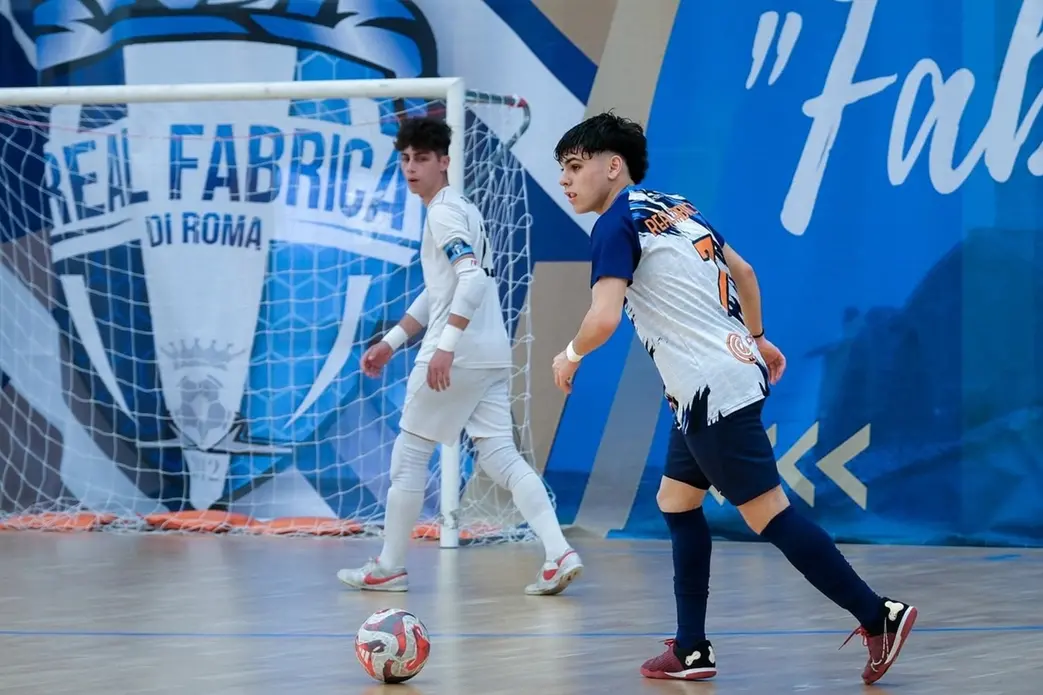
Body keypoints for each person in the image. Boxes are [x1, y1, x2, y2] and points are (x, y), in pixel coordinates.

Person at [549, 112, 916, 684]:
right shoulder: (676, 207)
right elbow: (742, 271)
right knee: (676, 501)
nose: (566, 181)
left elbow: (602, 319)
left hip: (708, 388)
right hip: (713, 383)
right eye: (562, 171)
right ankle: (692, 647)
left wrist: (569, 355)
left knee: (769, 515)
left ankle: (878, 615)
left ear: (612, 166)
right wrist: (760, 337)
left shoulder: (615, 224)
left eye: (575, 167)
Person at [337, 116, 582, 596]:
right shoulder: (459, 208)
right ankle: (559, 552)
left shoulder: (442, 213)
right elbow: (440, 292)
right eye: (405, 158)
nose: (411, 167)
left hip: (459, 353)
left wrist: (444, 348)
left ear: (445, 162)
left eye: (422, 159)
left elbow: (470, 281)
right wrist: (390, 342)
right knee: (500, 456)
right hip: (491, 351)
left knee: (409, 457)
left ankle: (389, 567)